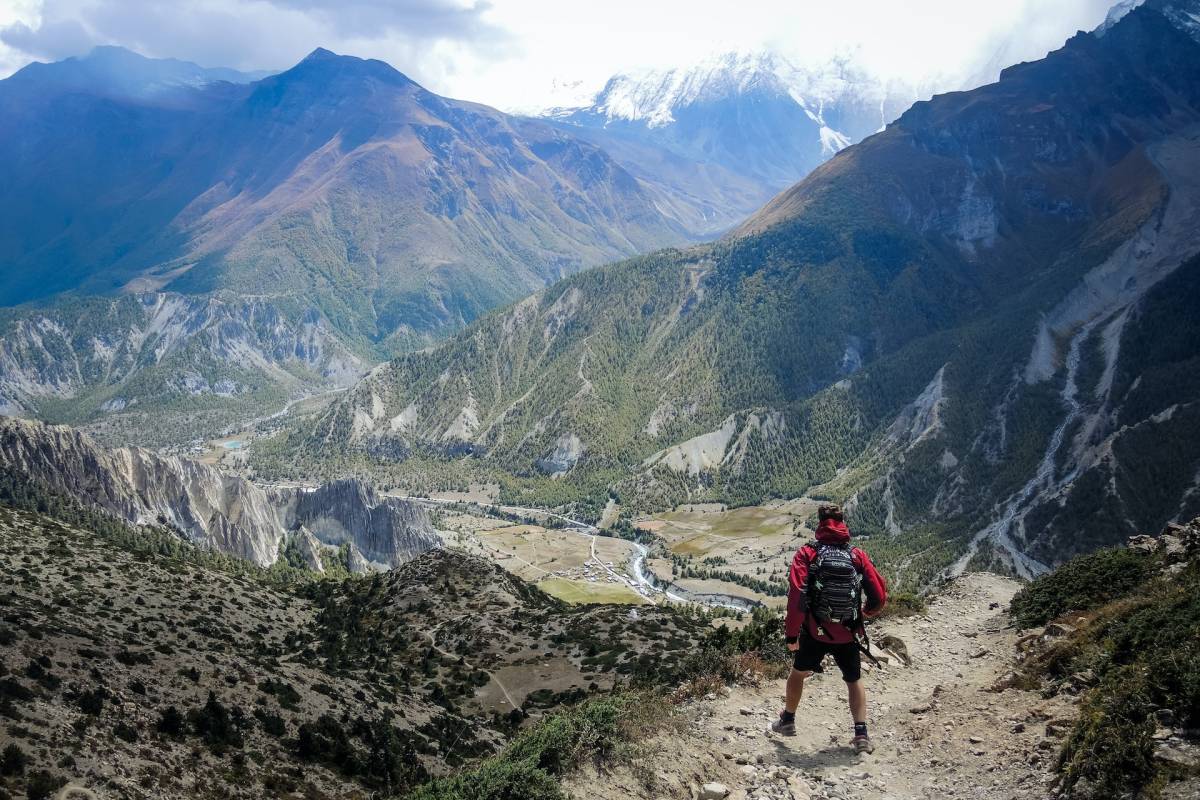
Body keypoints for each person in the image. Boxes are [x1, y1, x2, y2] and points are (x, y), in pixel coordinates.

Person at [771, 504, 887, 754]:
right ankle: (861, 734)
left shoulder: (807, 553)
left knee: (798, 673)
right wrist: (863, 615)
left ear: (820, 523)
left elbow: (797, 597)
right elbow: (878, 595)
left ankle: (788, 720)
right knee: (854, 680)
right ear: (843, 522)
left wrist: (792, 634)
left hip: (814, 631)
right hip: (848, 633)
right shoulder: (856, 554)